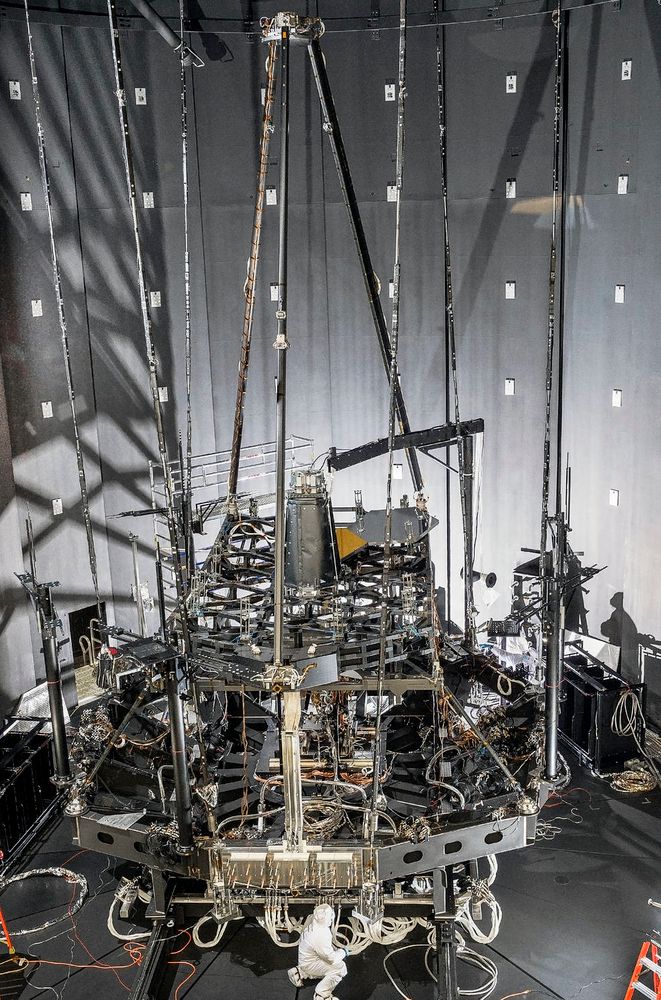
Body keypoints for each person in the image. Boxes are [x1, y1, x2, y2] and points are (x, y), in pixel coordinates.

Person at [288, 903, 348, 1000]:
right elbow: (331, 959)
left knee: (329, 964)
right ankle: (322, 994)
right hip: (310, 964)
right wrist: (343, 952)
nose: (332, 919)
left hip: (306, 959)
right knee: (340, 968)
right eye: (331, 917)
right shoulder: (320, 934)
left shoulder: (312, 920)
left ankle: (300, 973)